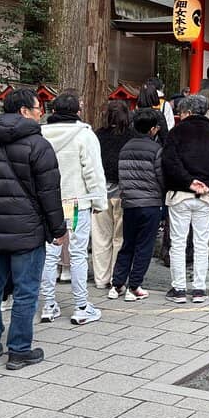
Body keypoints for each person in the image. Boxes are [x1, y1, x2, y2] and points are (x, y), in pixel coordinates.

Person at [0, 88, 66, 370]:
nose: (41, 113)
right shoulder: (38, 145)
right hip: (28, 229)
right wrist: (58, 228)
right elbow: (50, 193)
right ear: (24, 111)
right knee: (25, 291)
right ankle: (19, 350)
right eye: (38, 108)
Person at [39, 93, 107, 326]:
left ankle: (48, 304)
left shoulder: (40, 134)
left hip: (47, 203)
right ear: (77, 111)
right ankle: (80, 306)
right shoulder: (85, 135)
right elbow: (93, 173)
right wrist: (99, 203)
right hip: (76, 202)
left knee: (49, 254)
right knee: (77, 253)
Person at [162, 94, 209, 304]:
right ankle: (199, 288)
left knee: (178, 242)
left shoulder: (176, 133)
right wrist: (208, 184)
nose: (180, 116)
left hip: (180, 195)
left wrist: (188, 182)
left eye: (181, 113)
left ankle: (179, 288)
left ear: (188, 112)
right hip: (207, 196)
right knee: (202, 242)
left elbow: (170, 162)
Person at [109, 108, 164, 301]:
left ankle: (117, 284)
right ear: (152, 129)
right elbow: (161, 177)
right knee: (144, 245)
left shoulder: (126, 147)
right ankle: (135, 286)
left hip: (130, 202)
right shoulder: (156, 150)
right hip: (150, 203)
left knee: (128, 244)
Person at [93, 99, 132, 290]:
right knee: (120, 238)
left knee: (100, 237)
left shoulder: (97, 135)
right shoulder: (132, 137)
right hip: (124, 192)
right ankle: (117, 278)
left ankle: (101, 278)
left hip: (100, 191)